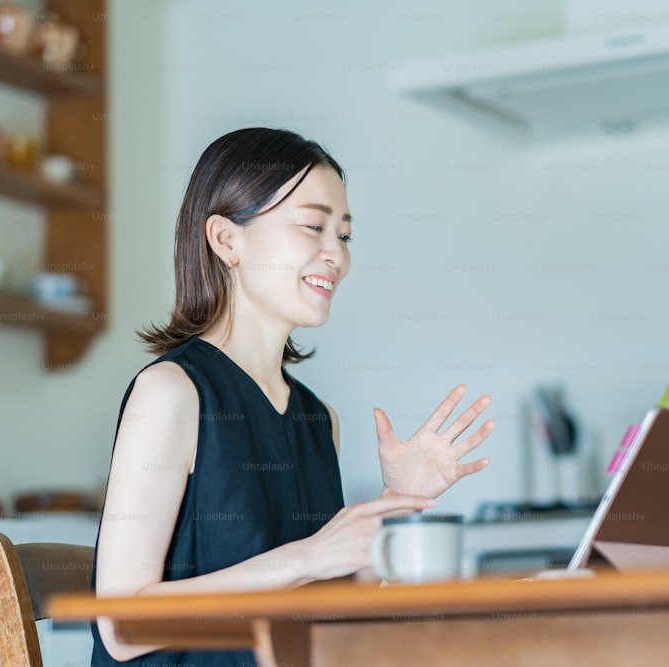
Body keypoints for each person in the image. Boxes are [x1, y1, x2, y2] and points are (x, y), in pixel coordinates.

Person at [90, 127, 495, 665]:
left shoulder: (316, 418)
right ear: (226, 240)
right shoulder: (171, 393)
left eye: (344, 236)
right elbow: (122, 627)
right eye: (313, 226)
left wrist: (394, 507)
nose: (337, 256)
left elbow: (323, 609)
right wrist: (306, 558)